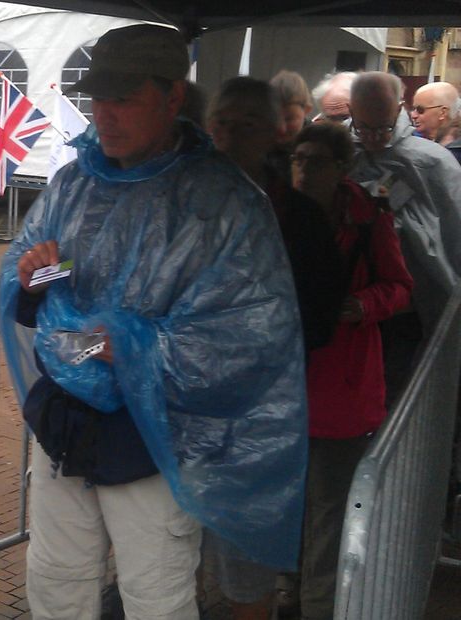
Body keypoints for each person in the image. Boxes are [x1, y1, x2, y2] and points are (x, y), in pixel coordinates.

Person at [0, 24, 308, 620]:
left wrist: (138, 347)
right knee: (57, 579)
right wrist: (36, 279)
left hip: (157, 438)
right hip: (67, 424)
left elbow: (249, 339)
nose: (104, 115)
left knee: (155, 593)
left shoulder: (224, 204)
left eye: (124, 98)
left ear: (171, 97)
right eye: (97, 98)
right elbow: (33, 285)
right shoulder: (74, 183)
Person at [205, 77, 347, 620]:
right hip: (185, 410)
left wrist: (254, 342)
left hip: (258, 414)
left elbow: (320, 316)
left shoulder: (299, 218)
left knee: (247, 562)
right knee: (176, 551)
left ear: (273, 134)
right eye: (223, 122)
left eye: (247, 124)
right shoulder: (176, 202)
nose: (230, 135)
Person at [289, 122, 413, 620]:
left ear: (341, 169)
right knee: (289, 508)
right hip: (287, 390)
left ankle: (316, 607)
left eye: (315, 161)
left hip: (342, 393)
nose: (302, 170)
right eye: (297, 159)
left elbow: (400, 287)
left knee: (327, 515)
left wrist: (360, 306)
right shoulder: (277, 216)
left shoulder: (367, 220)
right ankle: (285, 593)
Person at [348, 72, 461, 350]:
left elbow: (454, 230)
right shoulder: (340, 153)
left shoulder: (432, 162)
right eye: (364, 128)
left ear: (399, 110)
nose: (373, 139)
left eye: (384, 128)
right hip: (356, 296)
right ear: (351, 112)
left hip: (415, 301)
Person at [411, 81, 461, 165]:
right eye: (414, 109)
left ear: (442, 113)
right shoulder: (412, 140)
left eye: (420, 110)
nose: (413, 115)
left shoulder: (455, 155)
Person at [270, 70, 313, 146]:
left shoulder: (317, 144)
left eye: (289, 119)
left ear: (306, 110)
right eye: (274, 118)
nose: (281, 128)